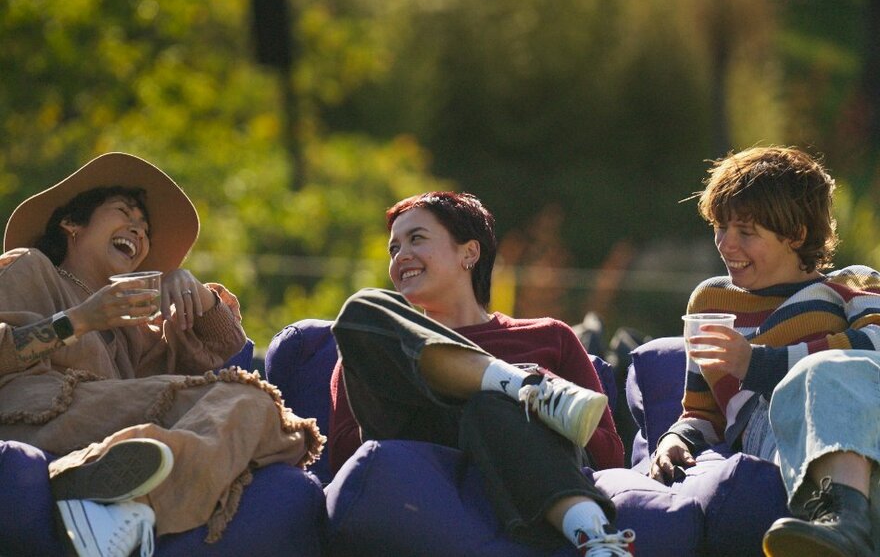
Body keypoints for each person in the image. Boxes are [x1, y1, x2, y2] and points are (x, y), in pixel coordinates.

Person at [0, 153, 323, 557]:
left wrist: (197, 294)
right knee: (247, 400)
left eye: (145, 228)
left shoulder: (131, 323)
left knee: (274, 423)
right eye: (124, 213)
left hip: (103, 425)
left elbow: (218, 357)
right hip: (28, 414)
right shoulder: (29, 268)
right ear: (71, 223)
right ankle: (112, 501)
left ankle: (106, 498)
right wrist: (79, 320)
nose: (138, 229)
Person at [328, 191, 635, 556]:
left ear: (469, 253)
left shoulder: (548, 336)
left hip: (525, 469)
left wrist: (534, 419)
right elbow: (347, 458)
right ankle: (520, 385)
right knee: (360, 308)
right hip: (423, 469)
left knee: (489, 406)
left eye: (417, 239)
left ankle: (599, 543)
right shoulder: (377, 350)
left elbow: (609, 454)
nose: (400, 256)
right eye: (393, 248)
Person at [647, 146, 879, 556]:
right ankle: (839, 521)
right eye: (720, 227)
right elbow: (704, 413)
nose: (725, 244)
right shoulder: (711, 303)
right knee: (814, 377)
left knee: (832, 371)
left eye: (745, 232)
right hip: (774, 430)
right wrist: (675, 438)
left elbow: (875, 352)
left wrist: (757, 363)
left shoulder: (855, 285)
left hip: (866, 421)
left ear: (797, 235)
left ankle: (847, 522)